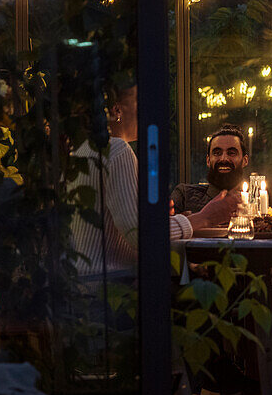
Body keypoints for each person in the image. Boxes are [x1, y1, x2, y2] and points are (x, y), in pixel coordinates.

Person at [69, 85, 238, 276]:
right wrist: (206, 217)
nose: (148, 109)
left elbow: (123, 227)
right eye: (139, 101)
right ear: (117, 110)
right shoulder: (117, 150)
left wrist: (158, 217)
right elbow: (140, 236)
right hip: (113, 290)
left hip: (84, 285)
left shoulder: (82, 150)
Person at [170, 124, 250, 215]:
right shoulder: (184, 195)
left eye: (231, 153)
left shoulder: (257, 199)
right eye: (217, 153)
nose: (224, 159)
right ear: (208, 160)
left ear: (245, 160)